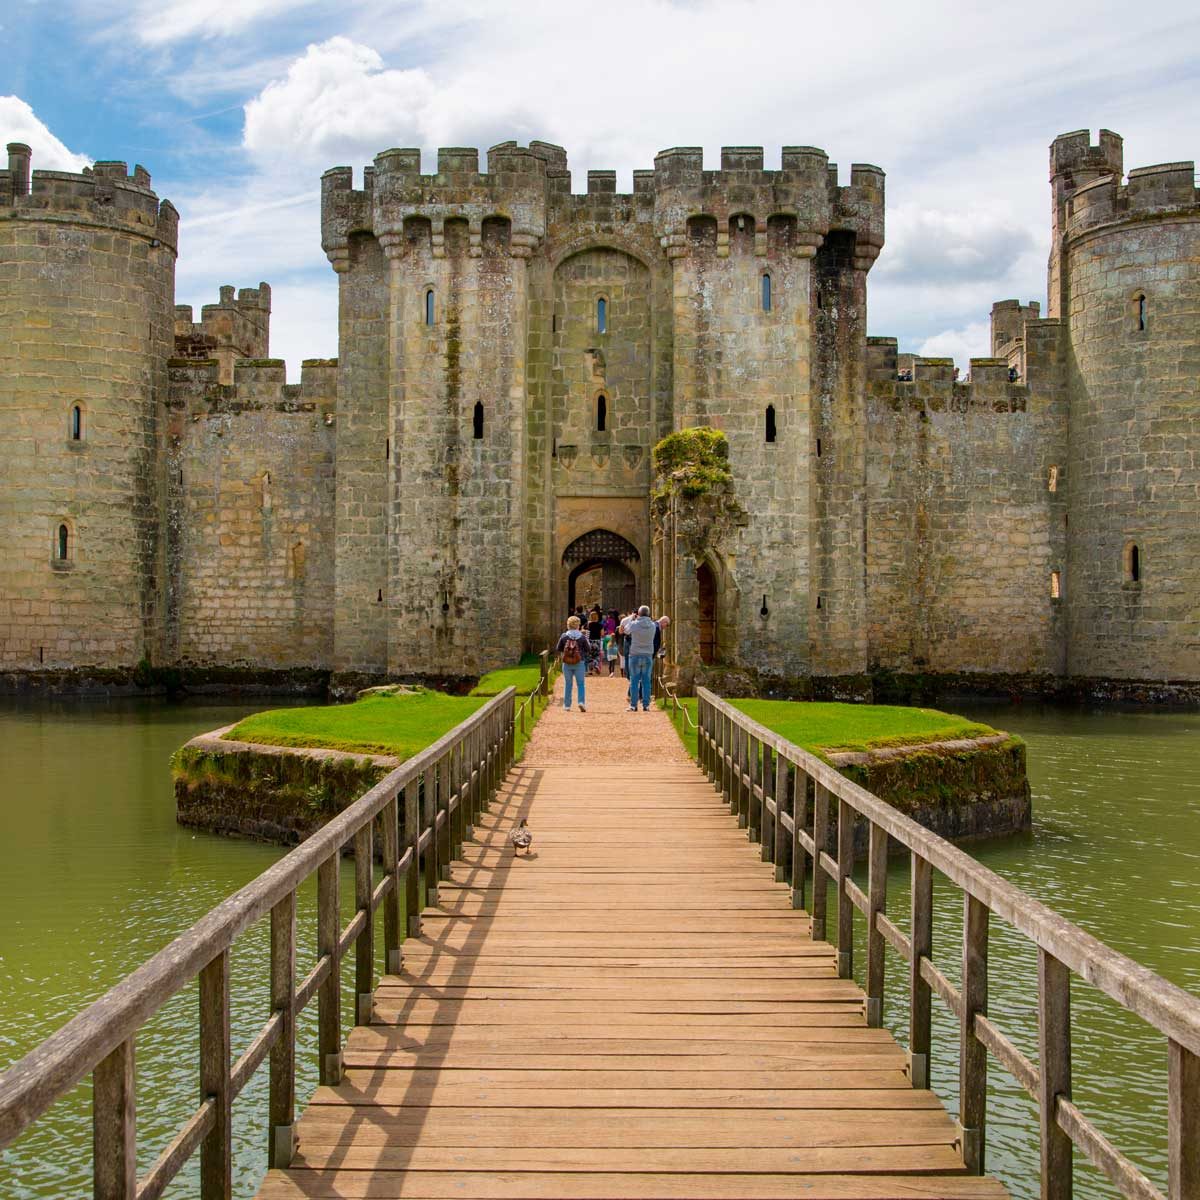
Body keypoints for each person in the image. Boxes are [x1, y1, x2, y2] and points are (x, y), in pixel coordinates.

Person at [625, 605, 657, 712]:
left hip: (635, 654)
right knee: (646, 681)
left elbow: (626, 630)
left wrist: (631, 618)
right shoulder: (652, 625)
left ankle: (633, 705)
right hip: (647, 655)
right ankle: (646, 705)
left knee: (634, 681)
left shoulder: (634, 624)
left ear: (638, 614)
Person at [556, 615, 591, 712]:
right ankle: (581, 702)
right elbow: (588, 649)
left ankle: (567, 705)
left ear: (568, 625)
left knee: (568, 684)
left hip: (567, 663)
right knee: (580, 684)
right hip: (579, 662)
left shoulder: (564, 636)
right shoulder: (582, 637)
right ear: (578, 625)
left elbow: (558, 648)